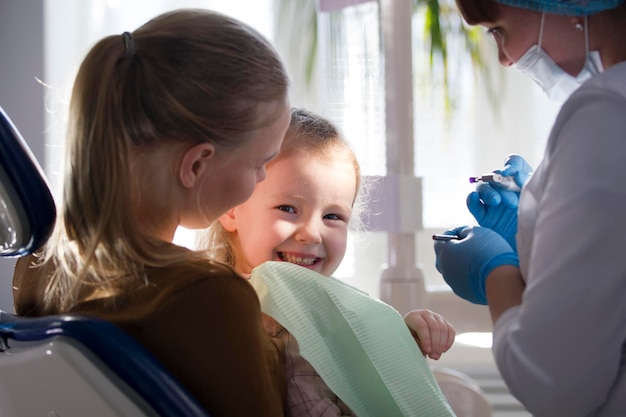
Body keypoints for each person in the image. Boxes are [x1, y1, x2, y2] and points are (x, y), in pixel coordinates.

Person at [12, 8, 292, 417]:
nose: (263, 177)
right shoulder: (209, 295)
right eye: (258, 164)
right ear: (196, 164)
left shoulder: (38, 267)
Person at [433, 1, 626, 416]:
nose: (503, 58)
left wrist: (495, 271)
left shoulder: (606, 114)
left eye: (497, 29)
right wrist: (537, 239)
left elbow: (556, 382)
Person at [200, 107, 456, 416]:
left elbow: (348, 380)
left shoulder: (312, 304)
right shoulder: (256, 314)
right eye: (287, 208)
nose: (312, 234)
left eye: (332, 216)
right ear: (231, 207)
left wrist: (401, 338)